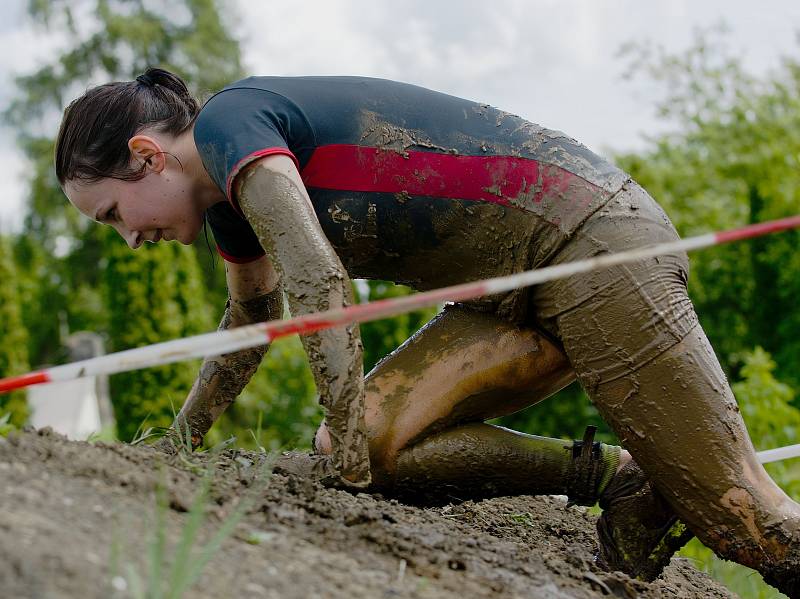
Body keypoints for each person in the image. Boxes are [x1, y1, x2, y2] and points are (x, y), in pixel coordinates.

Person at [56, 67, 799, 595]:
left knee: (746, 516)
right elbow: (250, 324)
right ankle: (620, 478)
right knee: (379, 445)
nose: (128, 240)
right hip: (506, 302)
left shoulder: (230, 124)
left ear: (147, 157)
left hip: (596, 243)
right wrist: (178, 444)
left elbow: (314, 275)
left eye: (114, 215)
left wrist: (339, 422)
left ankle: (672, 491)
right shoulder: (227, 205)